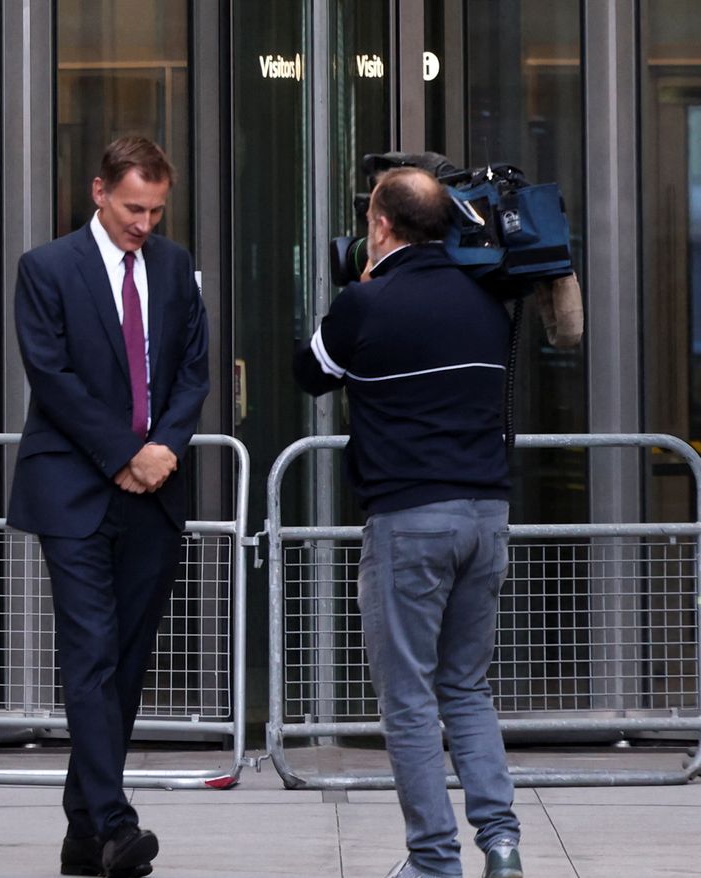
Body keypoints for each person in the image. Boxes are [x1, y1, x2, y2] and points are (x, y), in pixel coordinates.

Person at [292, 165, 527, 878]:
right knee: (467, 688)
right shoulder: (488, 303)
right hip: (487, 516)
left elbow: (309, 371)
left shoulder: (366, 305)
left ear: (380, 224)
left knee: (410, 700)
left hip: (410, 519)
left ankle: (433, 859)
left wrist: (359, 290)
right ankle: (502, 845)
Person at [12, 134, 210, 878]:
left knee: (125, 660)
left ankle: (82, 833)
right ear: (99, 192)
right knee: (91, 651)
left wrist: (162, 451)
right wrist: (126, 453)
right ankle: (115, 821)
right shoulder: (47, 268)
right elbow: (52, 377)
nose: (144, 224)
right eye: (133, 208)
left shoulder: (173, 266)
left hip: (155, 492)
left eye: (156, 210)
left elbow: (194, 369)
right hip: (73, 488)